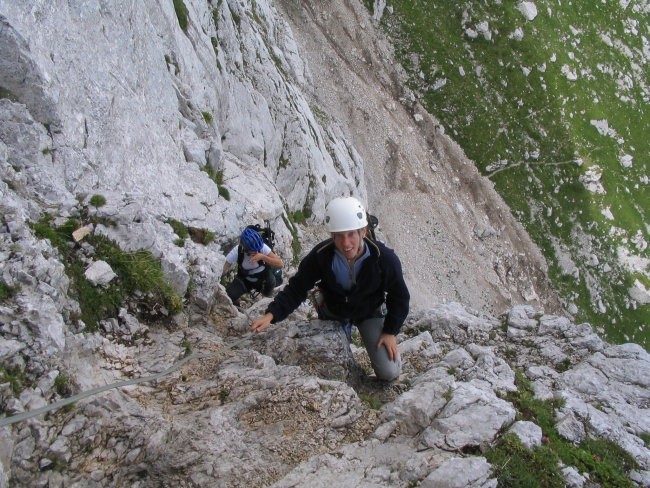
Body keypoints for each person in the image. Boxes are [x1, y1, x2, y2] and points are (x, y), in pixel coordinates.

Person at [251, 196, 410, 381]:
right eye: (339, 236)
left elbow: (400, 296)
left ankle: (353, 326)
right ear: (332, 236)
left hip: (369, 311)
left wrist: (390, 331)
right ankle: (327, 308)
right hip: (335, 308)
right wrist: (271, 315)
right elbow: (297, 287)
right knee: (333, 360)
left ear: (363, 232)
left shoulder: (384, 259)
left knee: (389, 373)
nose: (346, 243)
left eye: (351, 234)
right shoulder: (322, 256)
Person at [222, 227, 284, 306]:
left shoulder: (262, 247)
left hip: (263, 279)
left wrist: (263, 257)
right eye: (252, 250)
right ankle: (236, 305)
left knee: (270, 281)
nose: (256, 251)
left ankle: (267, 298)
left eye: (257, 249)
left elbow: (280, 263)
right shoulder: (237, 251)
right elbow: (224, 267)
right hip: (245, 279)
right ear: (244, 248)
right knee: (229, 296)